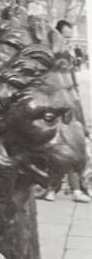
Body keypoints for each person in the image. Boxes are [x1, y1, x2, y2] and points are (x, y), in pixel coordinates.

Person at [40, 20, 90, 203]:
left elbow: (72, 83)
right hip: (56, 104)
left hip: (70, 102)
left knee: (70, 144)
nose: (68, 40)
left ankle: (66, 189)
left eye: (70, 37)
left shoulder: (67, 54)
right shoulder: (51, 53)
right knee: (60, 146)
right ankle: (56, 188)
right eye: (65, 37)